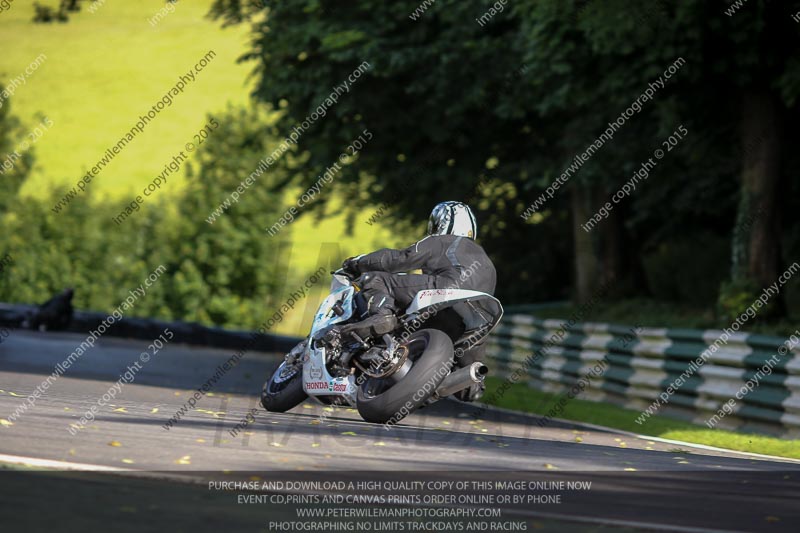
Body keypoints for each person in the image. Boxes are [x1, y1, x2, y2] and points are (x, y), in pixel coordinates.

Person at [329, 201, 497, 401]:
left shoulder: (442, 241)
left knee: (377, 279)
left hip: (445, 291)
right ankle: (465, 382)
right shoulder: (486, 260)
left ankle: (381, 317)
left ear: (439, 224)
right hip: (476, 318)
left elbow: (398, 259)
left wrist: (357, 263)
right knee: (470, 389)